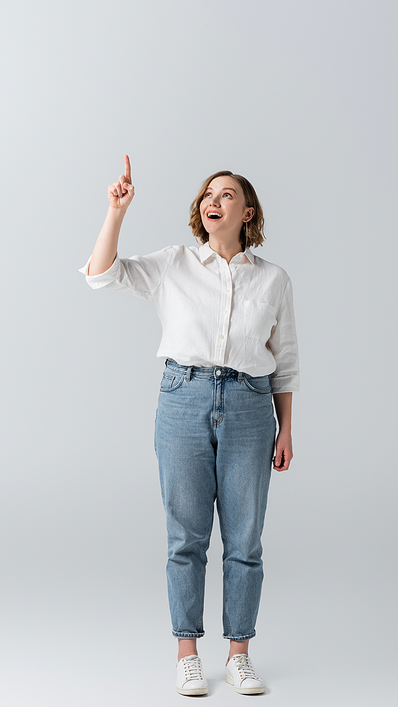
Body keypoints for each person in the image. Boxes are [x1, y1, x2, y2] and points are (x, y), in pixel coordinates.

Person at [78, 155, 300, 696]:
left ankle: (240, 654)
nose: (213, 201)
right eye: (208, 194)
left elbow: (286, 358)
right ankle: (187, 652)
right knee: (186, 536)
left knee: (245, 538)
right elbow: (101, 275)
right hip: (184, 398)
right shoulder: (174, 263)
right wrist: (116, 212)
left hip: (251, 404)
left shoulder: (273, 280)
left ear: (248, 212)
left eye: (226, 195)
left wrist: (286, 427)